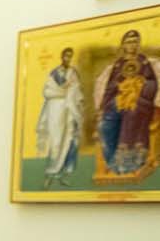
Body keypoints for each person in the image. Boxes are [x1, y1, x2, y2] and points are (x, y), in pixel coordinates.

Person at [93, 29, 158, 177]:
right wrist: (103, 107)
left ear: (139, 44)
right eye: (129, 42)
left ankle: (131, 163)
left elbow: (152, 84)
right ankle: (112, 162)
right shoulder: (118, 65)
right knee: (105, 124)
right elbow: (110, 87)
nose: (132, 45)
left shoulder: (144, 62)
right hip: (118, 101)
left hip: (139, 101)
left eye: (135, 41)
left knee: (131, 115)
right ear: (123, 45)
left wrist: (139, 86)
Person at [35, 47, 83, 187]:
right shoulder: (54, 73)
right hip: (55, 110)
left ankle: (63, 175)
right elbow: (47, 91)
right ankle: (50, 173)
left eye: (70, 56)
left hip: (69, 111)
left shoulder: (73, 73)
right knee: (56, 142)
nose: (68, 59)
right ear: (62, 57)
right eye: (66, 56)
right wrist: (62, 92)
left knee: (69, 141)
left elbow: (76, 90)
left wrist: (68, 93)